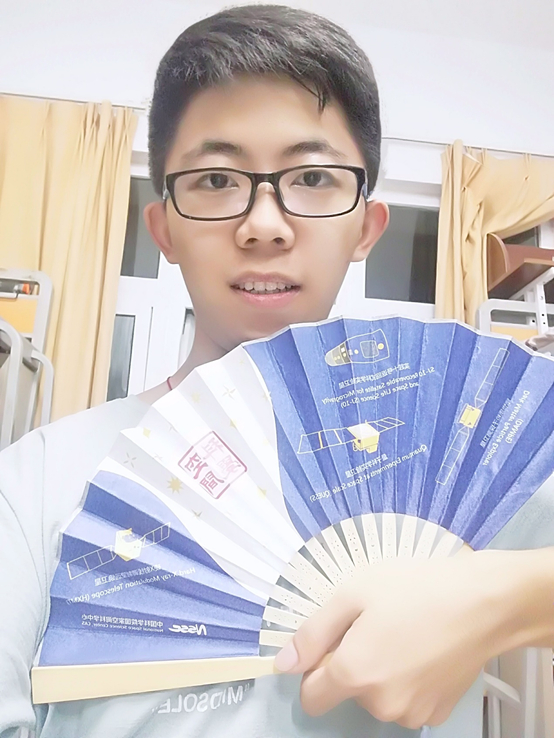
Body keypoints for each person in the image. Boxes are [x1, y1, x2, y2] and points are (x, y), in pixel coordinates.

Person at [1, 5, 554, 738]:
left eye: (314, 176)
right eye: (215, 179)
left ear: (366, 227)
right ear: (163, 228)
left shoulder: (464, 451)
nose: (264, 224)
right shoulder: (35, 480)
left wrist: (506, 595)